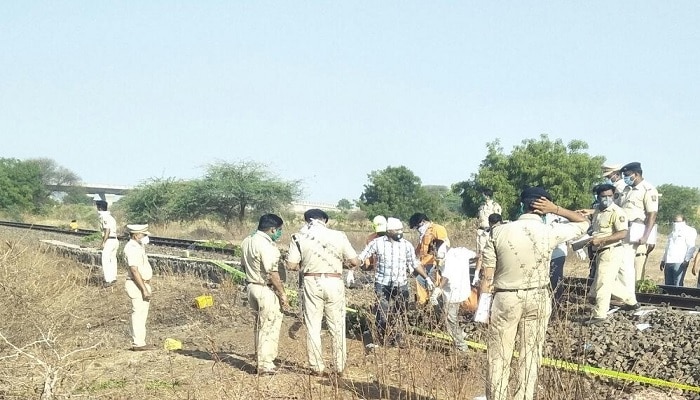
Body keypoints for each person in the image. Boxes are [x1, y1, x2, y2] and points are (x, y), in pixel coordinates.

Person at [479, 187, 589, 400]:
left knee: (498, 356)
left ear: (522, 205)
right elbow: (584, 223)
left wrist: (483, 310)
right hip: (538, 297)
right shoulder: (549, 232)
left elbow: (487, 277)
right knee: (530, 355)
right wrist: (556, 208)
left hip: (505, 298)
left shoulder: (498, 231)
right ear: (544, 209)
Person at [287, 209, 360, 377]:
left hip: (311, 281)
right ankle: (339, 366)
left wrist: (306, 266)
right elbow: (354, 261)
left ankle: (316, 366)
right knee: (337, 326)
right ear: (325, 220)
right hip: (334, 281)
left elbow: (291, 265)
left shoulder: (298, 237)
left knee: (313, 325)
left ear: (307, 221)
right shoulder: (339, 235)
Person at [358, 217, 434, 347]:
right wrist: (353, 267)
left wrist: (426, 277)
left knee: (400, 312)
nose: (400, 232)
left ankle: (398, 339)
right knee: (382, 312)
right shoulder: (376, 243)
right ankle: (383, 339)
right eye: (397, 230)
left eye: (401, 230)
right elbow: (361, 257)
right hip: (382, 284)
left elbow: (414, 263)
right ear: (389, 231)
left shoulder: (406, 245)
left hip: (401, 284)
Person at [585, 184, 639, 325]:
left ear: (614, 196)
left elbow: (622, 233)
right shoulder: (598, 210)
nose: (607, 199)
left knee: (603, 283)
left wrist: (601, 240)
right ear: (598, 197)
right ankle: (631, 301)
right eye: (603, 196)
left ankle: (600, 315)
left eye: (610, 196)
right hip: (600, 252)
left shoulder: (617, 212)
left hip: (611, 250)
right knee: (604, 281)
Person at [241, 214, 287, 375]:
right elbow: (272, 272)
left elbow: (243, 266)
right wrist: (282, 293)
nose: (279, 233)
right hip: (264, 288)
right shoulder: (265, 244)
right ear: (273, 229)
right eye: (279, 230)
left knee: (260, 326)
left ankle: (262, 359)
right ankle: (265, 363)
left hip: (251, 286)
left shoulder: (248, 240)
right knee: (269, 325)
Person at [619, 162, 659, 293]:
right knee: (623, 267)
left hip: (637, 232)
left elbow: (652, 214)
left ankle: (634, 298)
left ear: (636, 174)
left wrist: (646, 236)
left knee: (635, 268)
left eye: (627, 175)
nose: (625, 177)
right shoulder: (626, 190)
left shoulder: (648, 189)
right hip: (623, 231)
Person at [429, 243, 476, 352]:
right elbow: (478, 256)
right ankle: (462, 333)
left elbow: (446, 276)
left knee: (450, 319)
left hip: (452, 293)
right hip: (463, 290)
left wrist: (438, 289)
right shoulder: (461, 251)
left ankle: (462, 347)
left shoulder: (448, 259)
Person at [123, 224, 156, 351]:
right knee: (138, 313)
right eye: (143, 235)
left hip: (142, 283)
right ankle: (138, 343)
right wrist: (143, 289)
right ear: (136, 235)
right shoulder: (132, 248)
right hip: (136, 284)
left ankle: (141, 341)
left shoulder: (138, 246)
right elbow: (134, 270)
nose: (145, 237)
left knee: (142, 313)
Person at [408, 213, 450, 305]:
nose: (417, 229)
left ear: (423, 222)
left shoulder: (437, 229)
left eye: (417, 226)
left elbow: (443, 247)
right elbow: (419, 250)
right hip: (424, 265)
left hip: (435, 265)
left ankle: (435, 308)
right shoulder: (423, 234)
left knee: (435, 288)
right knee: (420, 284)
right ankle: (423, 305)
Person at [660, 215, 697, 286]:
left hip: (680, 262)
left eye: (678, 221)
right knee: (668, 285)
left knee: (678, 284)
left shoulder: (689, 231)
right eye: (674, 221)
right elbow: (667, 248)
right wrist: (663, 260)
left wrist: (686, 260)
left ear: (684, 221)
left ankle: (677, 297)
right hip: (669, 262)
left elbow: (691, 247)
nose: (676, 223)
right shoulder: (671, 234)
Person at [473, 213, 503, 286]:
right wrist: (476, 273)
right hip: (490, 265)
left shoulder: (504, 234)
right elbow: (481, 255)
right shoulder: (485, 235)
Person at [96, 200, 118, 287]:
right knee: (112, 259)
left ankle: (108, 280)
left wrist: (103, 242)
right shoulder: (111, 217)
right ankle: (113, 277)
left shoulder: (104, 217)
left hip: (109, 240)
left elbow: (107, 230)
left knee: (105, 259)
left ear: (100, 208)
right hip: (115, 240)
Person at [476, 189, 502, 256]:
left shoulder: (495, 206)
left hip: (489, 232)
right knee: (479, 253)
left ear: (487, 196)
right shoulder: (481, 206)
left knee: (488, 253)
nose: (482, 196)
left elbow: (497, 219)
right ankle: (479, 266)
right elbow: (478, 217)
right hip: (480, 231)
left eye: (483, 195)